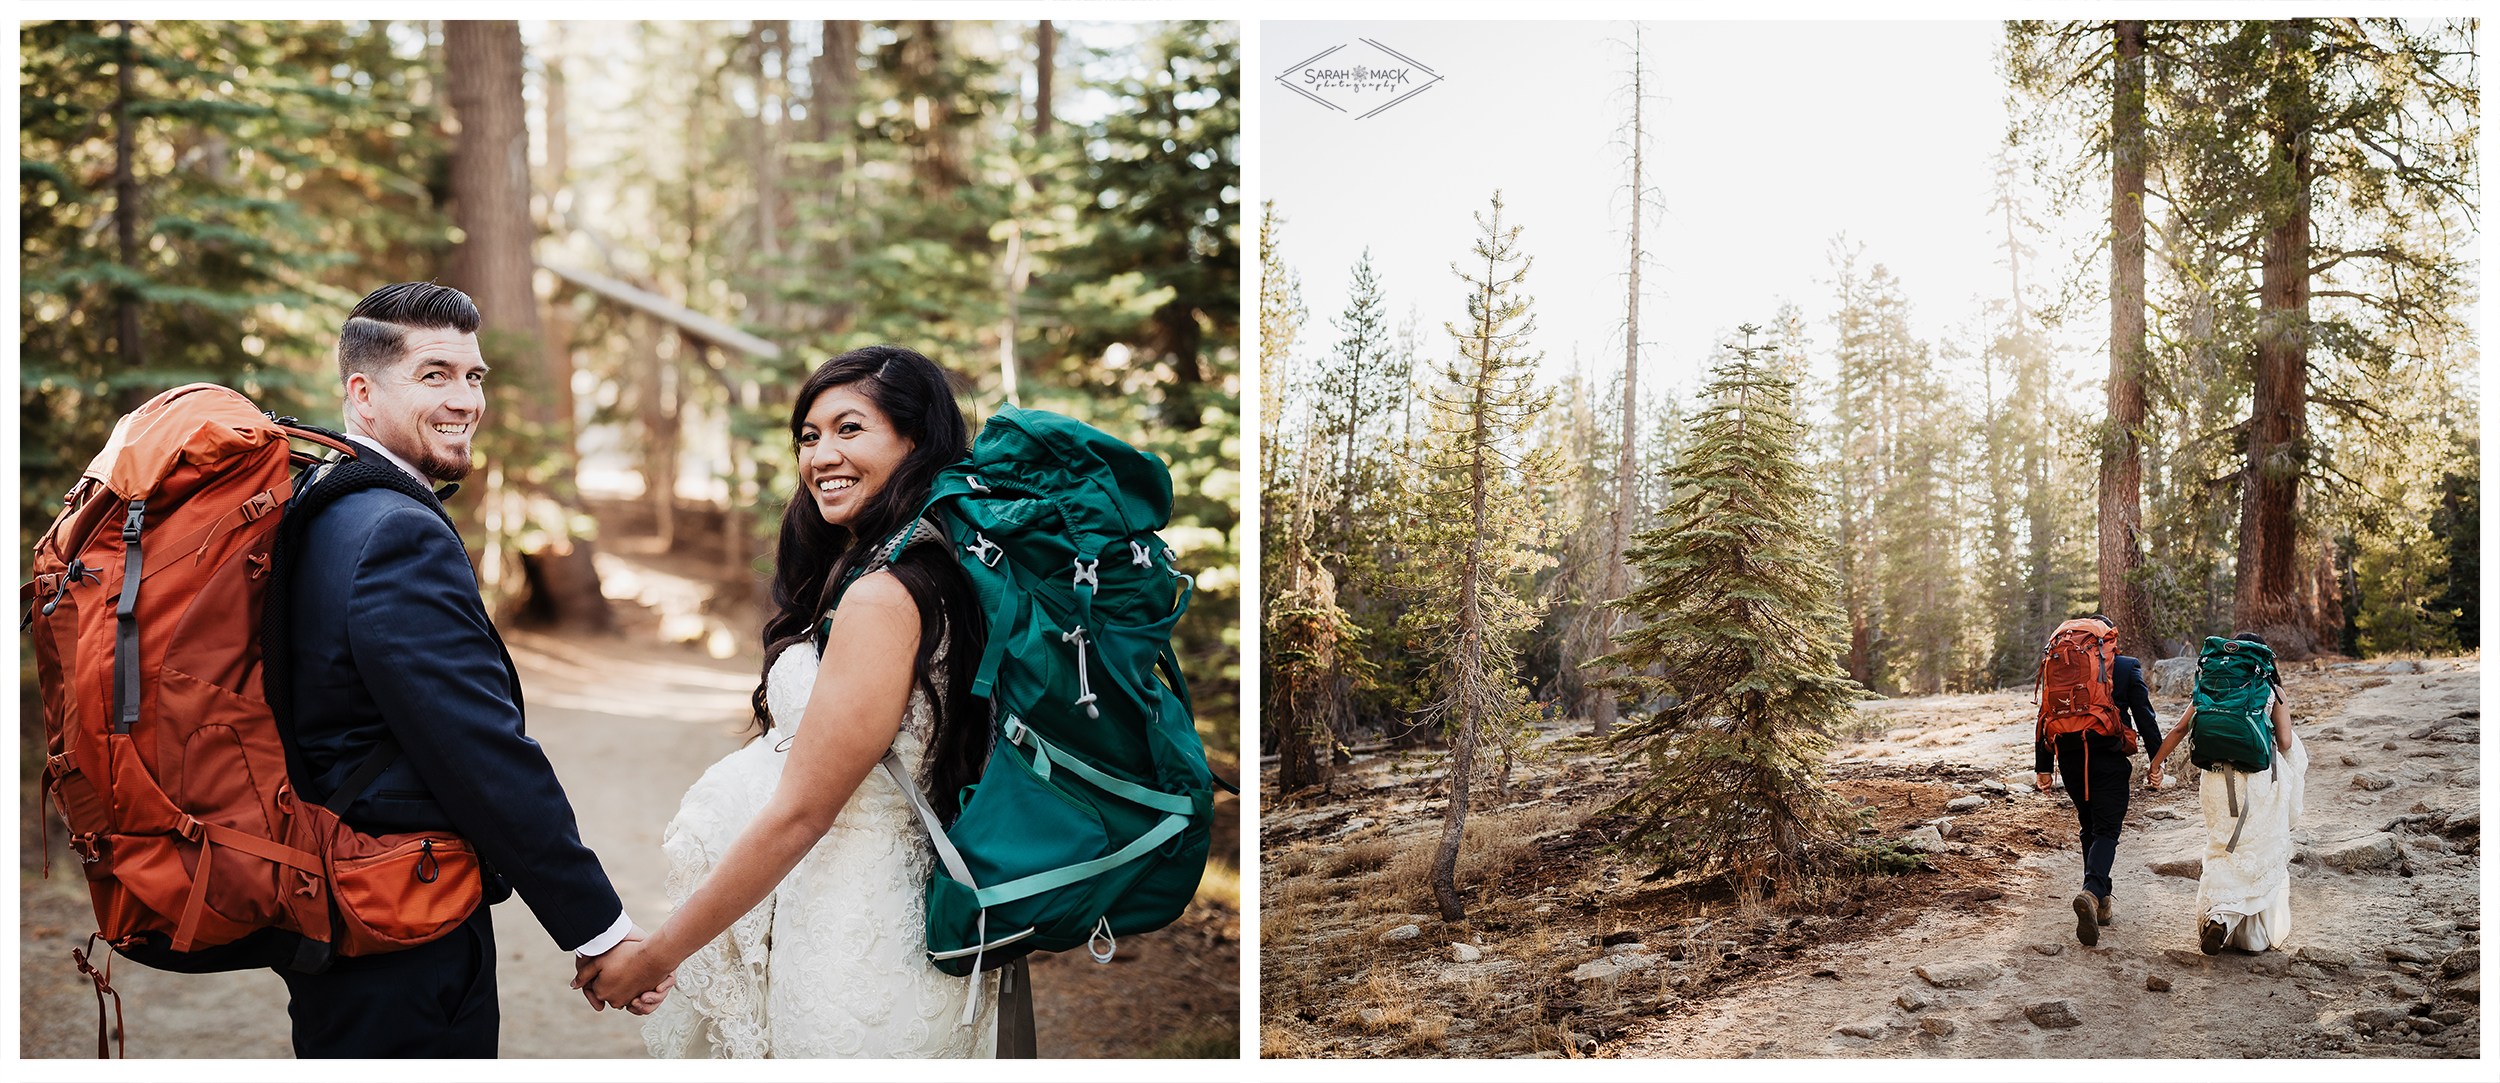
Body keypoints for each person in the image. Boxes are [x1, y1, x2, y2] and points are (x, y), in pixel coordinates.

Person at [581, 346, 1000, 1058]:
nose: (821, 455)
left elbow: (801, 814)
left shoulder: (885, 595)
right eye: (809, 436)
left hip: (861, 953)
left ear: (916, 441)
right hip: (858, 921)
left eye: (849, 428)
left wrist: (656, 956)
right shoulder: (929, 571)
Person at [277, 282, 661, 1056]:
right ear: (362, 391)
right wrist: (598, 928)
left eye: (474, 375)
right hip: (399, 924)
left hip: (339, 904)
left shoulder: (319, 499)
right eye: (434, 374)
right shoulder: (393, 532)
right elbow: (479, 751)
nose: (465, 399)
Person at [2146, 633, 2305, 954]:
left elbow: (2180, 729)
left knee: (2223, 845)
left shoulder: (2213, 687)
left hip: (2216, 779)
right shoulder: (2272, 690)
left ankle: (2219, 916)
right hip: (2258, 779)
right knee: (2257, 849)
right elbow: (2286, 743)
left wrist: (2156, 764)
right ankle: (2247, 930)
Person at [2033, 613, 2163, 948]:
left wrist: (2043, 766)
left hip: (2070, 757)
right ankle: (2091, 892)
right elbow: (2145, 717)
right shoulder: (2126, 667)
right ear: (2108, 640)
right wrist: (2156, 761)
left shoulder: (2060, 663)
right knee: (2107, 830)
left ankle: (2102, 903)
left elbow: (2044, 713)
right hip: (2107, 757)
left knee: (2089, 826)